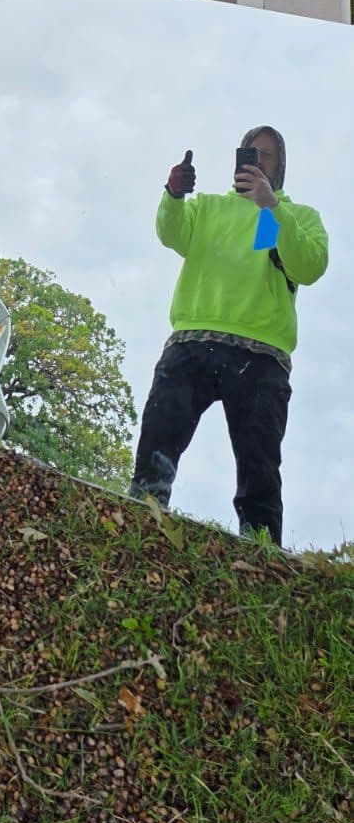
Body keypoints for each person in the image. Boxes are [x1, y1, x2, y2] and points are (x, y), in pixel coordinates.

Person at [128, 126, 328, 546]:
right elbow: (172, 233)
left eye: (268, 155)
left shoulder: (291, 216)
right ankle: (139, 528)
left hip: (260, 354)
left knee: (259, 467)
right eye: (251, 151)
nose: (258, 158)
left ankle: (261, 555)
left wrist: (271, 206)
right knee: (157, 442)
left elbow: (308, 265)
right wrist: (174, 193)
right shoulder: (209, 207)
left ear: (280, 167)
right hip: (192, 341)